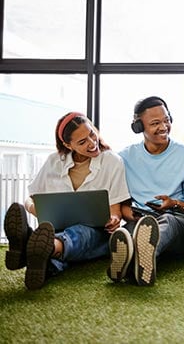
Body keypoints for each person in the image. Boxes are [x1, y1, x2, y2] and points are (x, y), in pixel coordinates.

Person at [3, 112, 130, 290]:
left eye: (92, 134)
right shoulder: (54, 161)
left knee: (81, 233)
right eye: (82, 142)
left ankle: (28, 246)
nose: (92, 143)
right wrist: (34, 209)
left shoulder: (112, 161)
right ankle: (42, 259)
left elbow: (115, 210)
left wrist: (114, 220)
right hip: (57, 227)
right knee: (55, 256)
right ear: (67, 144)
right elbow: (30, 199)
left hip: (96, 232)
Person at [108, 96, 184, 286]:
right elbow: (121, 201)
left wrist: (173, 203)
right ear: (139, 127)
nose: (164, 127)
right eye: (156, 123)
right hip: (141, 219)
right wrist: (129, 214)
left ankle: (136, 259)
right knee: (131, 231)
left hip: (179, 220)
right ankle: (136, 262)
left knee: (166, 222)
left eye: (167, 120)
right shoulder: (124, 158)